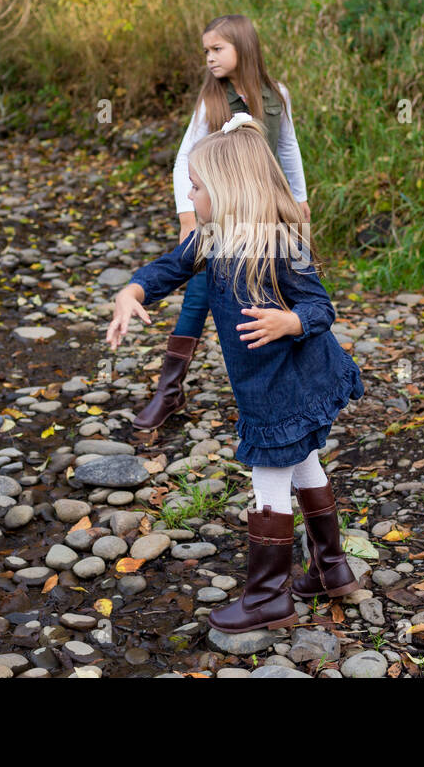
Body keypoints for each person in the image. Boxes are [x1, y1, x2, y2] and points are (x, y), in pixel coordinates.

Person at [107, 116, 361, 634]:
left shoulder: (277, 241)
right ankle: (332, 569)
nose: (191, 194)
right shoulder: (211, 238)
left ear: (226, 188)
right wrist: (132, 292)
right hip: (269, 382)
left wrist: (289, 320)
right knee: (306, 462)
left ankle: (268, 595)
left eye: (196, 186)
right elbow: (167, 268)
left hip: (291, 381)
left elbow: (320, 308)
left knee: (269, 478)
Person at [133, 13, 311, 432]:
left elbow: (288, 150)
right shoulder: (210, 102)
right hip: (218, 220)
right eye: (206, 51)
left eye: (217, 49)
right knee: (197, 297)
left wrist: (300, 202)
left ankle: (285, 386)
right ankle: (170, 389)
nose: (209, 58)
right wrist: (187, 216)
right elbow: (183, 159)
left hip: (266, 217)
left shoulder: (275, 95)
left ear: (243, 48)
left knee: (278, 293)